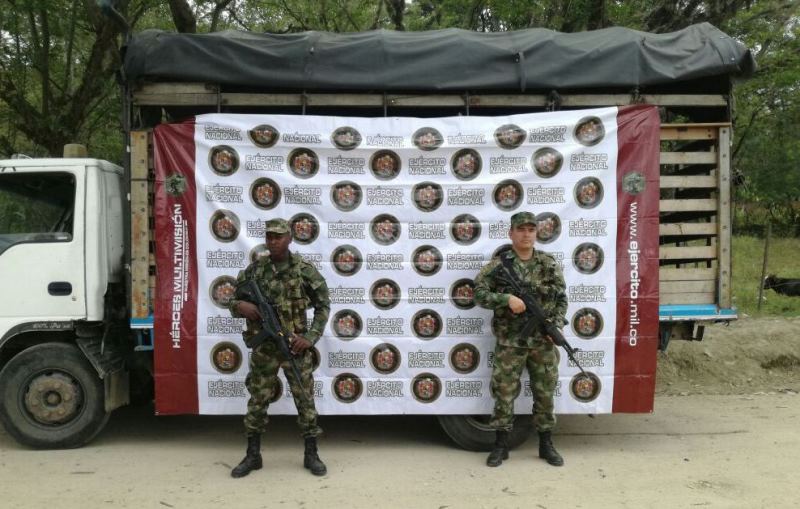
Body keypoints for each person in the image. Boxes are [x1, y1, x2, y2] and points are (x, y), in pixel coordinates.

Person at [228, 218, 330, 478]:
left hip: (294, 347)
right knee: (257, 401)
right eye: (269, 237)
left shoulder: (304, 271)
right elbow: (233, 300)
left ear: (290, 239)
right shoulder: (255, 271)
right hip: (265, 349)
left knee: (305, 400)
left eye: (279, 236)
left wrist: (310, 337)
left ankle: (311, 454)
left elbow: (323, 305)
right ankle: (253, 455)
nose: (273, 241)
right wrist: (240, 306)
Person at [474, 211, 568, 468]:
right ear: (511, 233)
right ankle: (500, 445)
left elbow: (561, 298)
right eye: (521, 229)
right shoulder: (499, 265)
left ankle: (546, 444)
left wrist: (555, 325)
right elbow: (478, 293)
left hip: (542, 342)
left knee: (545, 393)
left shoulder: (548, 263)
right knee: (504, 394)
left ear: (536, 233)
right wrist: (505, 299)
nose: (526, 234)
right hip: (510, 342)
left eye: (531, 230)